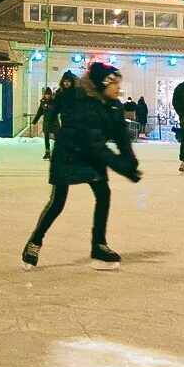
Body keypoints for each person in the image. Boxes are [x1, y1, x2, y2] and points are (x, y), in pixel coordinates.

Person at [22, 60, 141, 270]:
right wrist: (122, 168)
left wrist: (130, 161)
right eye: (114, 84)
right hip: (68, 154)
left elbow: (121, 137)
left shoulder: (114, 106)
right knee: (58, 202)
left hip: (92, 156)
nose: (118, 88)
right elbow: (95, 145)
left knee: (103, 194)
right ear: (103, 85)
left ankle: (98, 246)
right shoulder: (85, 106)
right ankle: (35, 241)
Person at [30, 86, 57, 159]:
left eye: (49, 94)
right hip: (46, 123)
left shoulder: (55, 102)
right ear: (44, 95)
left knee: (58, 138)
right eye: (46, 94)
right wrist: (34, 122)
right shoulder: (42, 102)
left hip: (54, 123)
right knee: (46, 139)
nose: (47, 95)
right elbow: (39, 113)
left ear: (51, 95)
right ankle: (47, 153)